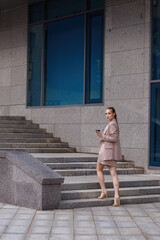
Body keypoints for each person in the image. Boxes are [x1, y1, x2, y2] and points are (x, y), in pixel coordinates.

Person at [96, 107, 122, 206]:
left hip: (106, 152)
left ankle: (104, 191)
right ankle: (116, 195)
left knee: (99, 170)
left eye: (109, 113)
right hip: (111, 153)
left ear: (114, 114)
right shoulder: (114, 123)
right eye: (106, 113)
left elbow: (114, 139)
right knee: (113, 174)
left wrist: (101, 136)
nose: (107, 115)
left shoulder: (112, 124)